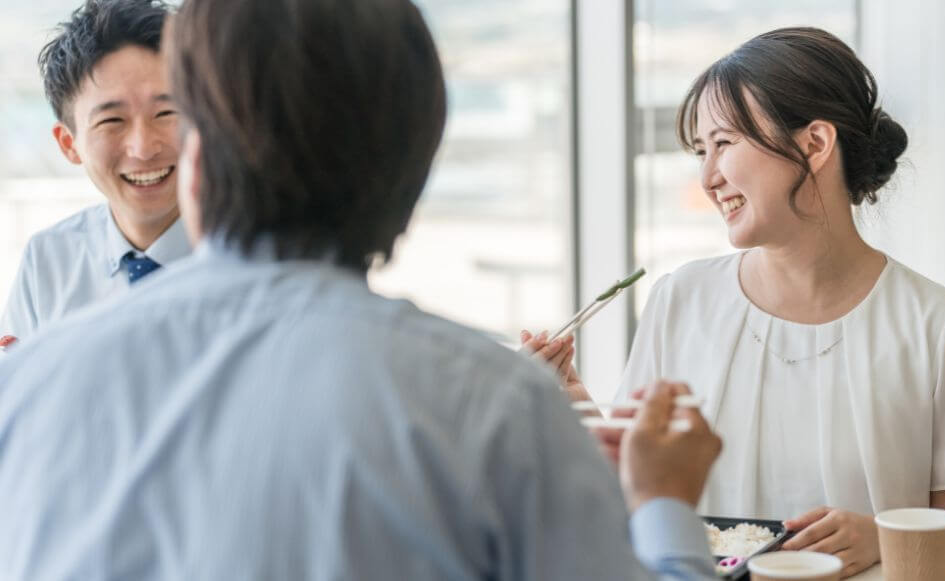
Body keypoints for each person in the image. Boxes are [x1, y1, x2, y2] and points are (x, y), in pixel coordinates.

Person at [0, 0, 725, 579]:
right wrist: (663, 503)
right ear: (410, 176)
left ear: (196, 164)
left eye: (172, 115)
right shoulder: (494, 405)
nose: (145, 143)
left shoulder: (27, 390)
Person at [524, 27, 945, 576]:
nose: (708, 177)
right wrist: (575, 406)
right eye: (701, 151)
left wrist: (881, 535)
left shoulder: (938, 325)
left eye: (724, 143)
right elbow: (641, 499)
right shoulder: (680, 300)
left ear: (815, 144)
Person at [0, 0, 189, 348]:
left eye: (165, 113)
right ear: (69, 144)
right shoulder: (49, 262)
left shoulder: (260, 253)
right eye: (111, 121)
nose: (143, 148)